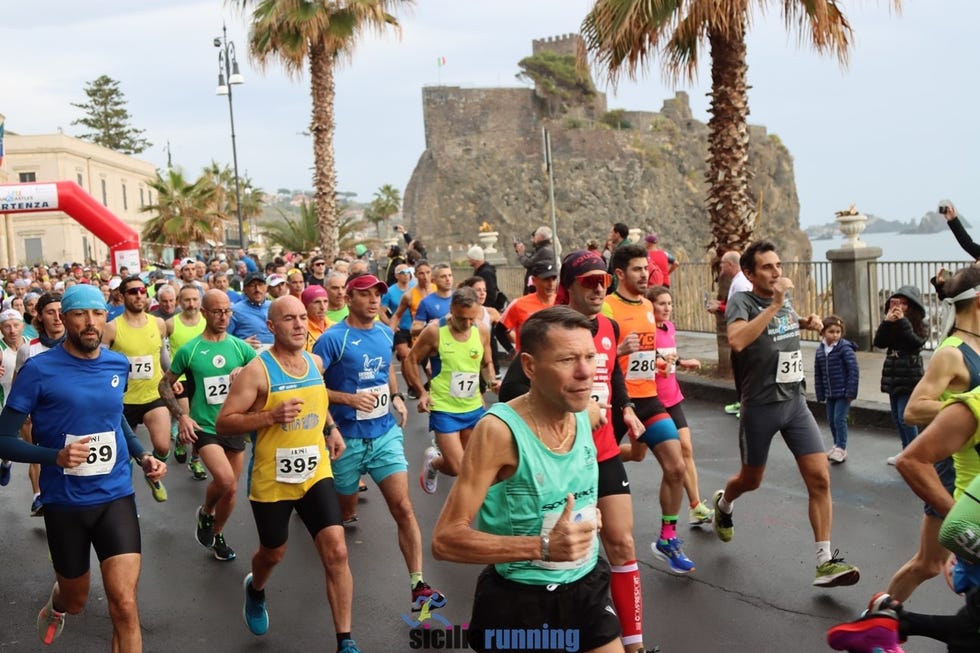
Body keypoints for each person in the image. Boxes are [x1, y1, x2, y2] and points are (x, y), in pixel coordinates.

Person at [432, 306, 624, 653]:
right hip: (521, 602)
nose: (585, 373)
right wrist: (544, 546)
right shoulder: (498, 432)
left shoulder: (587, 411)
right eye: (567, 360)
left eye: (590, 356)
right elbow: (445, 540)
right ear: (530, 367)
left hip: (586, 585)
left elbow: (596, 421)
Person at [498, 251, 653, 653]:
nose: (600, 288)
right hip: (558, 457)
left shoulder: (610, 327)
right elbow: (512, 389)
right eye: (589, 281)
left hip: (602, 451)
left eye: (604, 281)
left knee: (622, 542)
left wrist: (628, 409)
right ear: (571, 286)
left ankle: (633, 645)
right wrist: (577, 406)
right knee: (566, 555)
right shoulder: (549, 330)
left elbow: (614, 373)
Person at [0, 284, 166, 649]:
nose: (90, 323)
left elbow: (115, 417)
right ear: (63, 318)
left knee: (124, 603)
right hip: (65, 503)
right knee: (76, 599)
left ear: (106, 317)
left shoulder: (116, 363)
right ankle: (58, 604)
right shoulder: (39, 370)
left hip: (115, 495)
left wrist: (142, 454)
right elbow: (4, 438)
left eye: (97, 314)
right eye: (80, 314)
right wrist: (53, 456)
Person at [213, 295, 359, 651]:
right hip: (273, 479)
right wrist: (269, 416)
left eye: (301, 317)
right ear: (271, 326)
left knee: (337, 551)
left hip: (315, 471)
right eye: (288, 319)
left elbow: (316, 399)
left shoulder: (314, 362)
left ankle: (346, 641)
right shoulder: (257, 371)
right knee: (272, 553)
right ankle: (256, 588)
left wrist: (332, 429)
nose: (297, 324)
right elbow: (224, 421)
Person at [715, 240, 859, 587]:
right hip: (760, 407)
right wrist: (775, 305)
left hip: (795, 403)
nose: (777, 272)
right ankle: (725, 502)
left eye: (778, 265)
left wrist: (805, 322)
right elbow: (737, 340)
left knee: (820, 478)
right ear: (749, 273)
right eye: (767, 267)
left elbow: (785, 322)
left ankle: (825, 561)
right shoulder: (742, 301)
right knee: (751, 480)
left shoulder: (785, 301)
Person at [313, 273, 447, 611]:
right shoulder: (332, 339)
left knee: (402, 507)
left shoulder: (385, 333)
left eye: (378, 294)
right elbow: (311, 385)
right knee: (346, 511)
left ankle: (418, 585)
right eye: (365, 294)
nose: (374, 300)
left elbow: (386, 367)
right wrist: (345, 402)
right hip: (346, 440)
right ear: (349, 298)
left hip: (383, 433)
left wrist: (397, 395)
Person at [828, 386, 980, 653]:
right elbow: (912, 451)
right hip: (972, 533)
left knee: (968, 628)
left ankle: (891, 623)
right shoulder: (970, 395)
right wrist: (963, 529)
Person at [602, 244, 692, 575]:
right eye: (638, 269)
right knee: (590, 469)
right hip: (614, 400)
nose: (645, 274)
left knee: (677, 465)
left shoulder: (648, 307)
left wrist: (665, 361)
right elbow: (600, 355)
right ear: (620, 274)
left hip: (648, 397)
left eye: (647, 269)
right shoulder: (608, 308)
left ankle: (668, 538)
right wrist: (617, 352)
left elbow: (645, 353)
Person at [159, 289, 256, 562]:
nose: (223, 316)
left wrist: (246, 372)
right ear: (204, 313)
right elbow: (164, 383)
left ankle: (217, 532)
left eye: (227, 311)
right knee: (224, 480)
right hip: (205, 427)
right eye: (217, 311)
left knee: (233, 489)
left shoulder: (239, 347)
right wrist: (182, 416)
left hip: (234, 426)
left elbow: (265, 373)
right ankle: (206, 511)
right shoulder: (190, 350)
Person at [405, 287, 498, 495]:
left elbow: (486, 362)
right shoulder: (435, 331)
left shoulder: (481, 329)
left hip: (473, 406)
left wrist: (492, 381)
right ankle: (434, 463)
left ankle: (461, 503)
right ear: (451, 310)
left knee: (471, 464)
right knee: (456, 468)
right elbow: (411, 360)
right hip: (445, 408)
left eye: (471, 319)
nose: (466, 324)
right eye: (461, 318)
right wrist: (421, 392)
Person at [646, 285, 714, 526]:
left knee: (686, 448)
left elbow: (669, 357)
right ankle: (601, 462)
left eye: (669, 303)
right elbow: (650, 360)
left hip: (672, 398)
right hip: (651, 401)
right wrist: (659, 365)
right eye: (661, 304)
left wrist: (684, 362)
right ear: (650, 305)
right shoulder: (646, 331)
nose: (667, 308)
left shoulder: (669, 328)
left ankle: (695, 505)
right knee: (635, 453)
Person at [102, 275, 171, 503]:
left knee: (162, 445)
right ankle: (125, 499)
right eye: (132, 291)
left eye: (142, 290)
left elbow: (162, 355)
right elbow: (100, 362)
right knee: (125, 457)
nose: (139, 295)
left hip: (153, 395)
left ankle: (153, 473)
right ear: (122, 296)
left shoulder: (158, 323)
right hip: (123, 402)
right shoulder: (111, 328)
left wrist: (171, 376)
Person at [15, 292, 65, 515]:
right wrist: (24, 410)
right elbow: (18, 383)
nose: (57, 317)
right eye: (50, 312)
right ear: (40, 317)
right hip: (37, 417)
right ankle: (39, 497)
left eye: (61, 312)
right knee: (41, 459)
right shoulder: (29, 349)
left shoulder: (78, 345)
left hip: (68, 415)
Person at [873, 285, 927, 465]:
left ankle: (914, 454)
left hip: (910, 373)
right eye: (897, 302)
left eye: (905, 303)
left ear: (912, 306)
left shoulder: (918, 324)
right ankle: (906, 452)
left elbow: (916, 344)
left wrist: (903, 322)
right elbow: (879, 343)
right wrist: (887, 323)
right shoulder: (891, 322)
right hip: (893, 372)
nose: (900, 307)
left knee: (906, 417)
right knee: (896, 416)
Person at [166, 284, 208, 480]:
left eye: (195, 299)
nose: (191, 304)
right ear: (179, 302)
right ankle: (183, 442)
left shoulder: (207, 321)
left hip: (204, 378)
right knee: (188, 418)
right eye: (187, 300)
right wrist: (168, 375)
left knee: (200, 421)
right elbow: (159, 350)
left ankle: (195, 459)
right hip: (181, 379)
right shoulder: (171, 324)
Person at [707, 250, 752, 418]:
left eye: (722, 264)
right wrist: (721, 304)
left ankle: (746, 406)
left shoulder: (740, 283)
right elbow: (734, 304)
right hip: (738, 333)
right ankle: (741, 402)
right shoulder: (737, 281)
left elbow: (741, 309)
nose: (720, 266)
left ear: (731, 265)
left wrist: (719, 308)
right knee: (738, 369)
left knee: (743, 371)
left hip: (741, 333)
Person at [814, 315, 859, 464]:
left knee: (839, 419)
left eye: (838, 332)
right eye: (831, 331)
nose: (835, 335)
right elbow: (818, 373)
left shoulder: (844, 348)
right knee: (831, 420)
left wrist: (851, 391)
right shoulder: (821, 350)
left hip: (843, 392)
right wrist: (820, 392)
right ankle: (836, 445)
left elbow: (853, 370)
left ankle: (841, 448)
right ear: (823, 333)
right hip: (830, 392)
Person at [499, 261, 558, 351]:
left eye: (554, 279)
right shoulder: (518, 304)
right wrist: (511, 351)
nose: (551, 284)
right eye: (546, 279)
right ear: (534, 281)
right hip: (528, 361)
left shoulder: (562, 302)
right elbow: (499, 330)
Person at [0, 308, 28, 487]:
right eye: (7, 326)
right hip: (3, 401)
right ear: (1, 329)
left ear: (23, 326)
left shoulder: (30, 346)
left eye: (16, 325)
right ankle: (7, 462)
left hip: (26, 402)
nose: (12, 330)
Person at [228, 272, 273, 350]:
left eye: (260, 284)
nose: (257, 289)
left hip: (276, 356)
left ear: (266, 287)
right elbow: (223, 339)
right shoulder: (235, 311)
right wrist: (241, 344)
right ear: (244, 289)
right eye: (252, 285)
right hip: (250, 356)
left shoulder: (274, 306)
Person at [382, 263, 416, 367]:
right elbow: (381, 311)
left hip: (416, 327)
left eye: (407, 272)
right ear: (396, 276)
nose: (406, 275)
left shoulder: (415, 287)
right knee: (406, 357)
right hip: (400, 329)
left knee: (419, 358)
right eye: (402, 273)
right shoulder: (390, 291)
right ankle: (411, 383)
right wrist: (391, 325)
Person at [411, 263, 454, 337]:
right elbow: (413, 330)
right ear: (434, 280)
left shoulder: (460, 298)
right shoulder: (426, 302)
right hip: (438, 345)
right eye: (443, 276)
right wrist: (431, 326)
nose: (448, 279)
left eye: (450, 275)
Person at [515, 226, 556, 293]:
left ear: (541, 237)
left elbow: (529, 263)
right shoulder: (541, 249)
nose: (532, 239)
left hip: (539, 285)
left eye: (535, 236)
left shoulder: (545, 250)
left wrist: (521, 254)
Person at [467, 245, 502, 310]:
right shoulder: (481, 271)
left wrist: (484, 310)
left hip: (486, 308)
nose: (468, 260)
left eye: (469, 258)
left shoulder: (486, 273)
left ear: (475, 259)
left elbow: (491, 293)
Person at [302, 284, 332, 351]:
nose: (322, 307)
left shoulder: (335, 326)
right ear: (305, 305)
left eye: (325, 301)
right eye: (317, 302)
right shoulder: (301, 330)